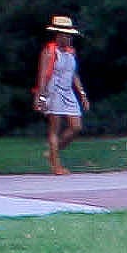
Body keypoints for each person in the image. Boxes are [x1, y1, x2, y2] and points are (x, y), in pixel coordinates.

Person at [33, 15, 88, 176]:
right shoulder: (50, 51)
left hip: (68, 91)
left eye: (69, 35)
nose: (68, 38)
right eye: (65, 35)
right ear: (58, 35)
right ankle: (56, 166)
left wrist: (82, 93)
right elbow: (43, 75)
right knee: (54, 129)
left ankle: (52, 153)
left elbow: (74, 74)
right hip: (54, 90)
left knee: (76, 126)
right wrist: (41, 96)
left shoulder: (71, 52)